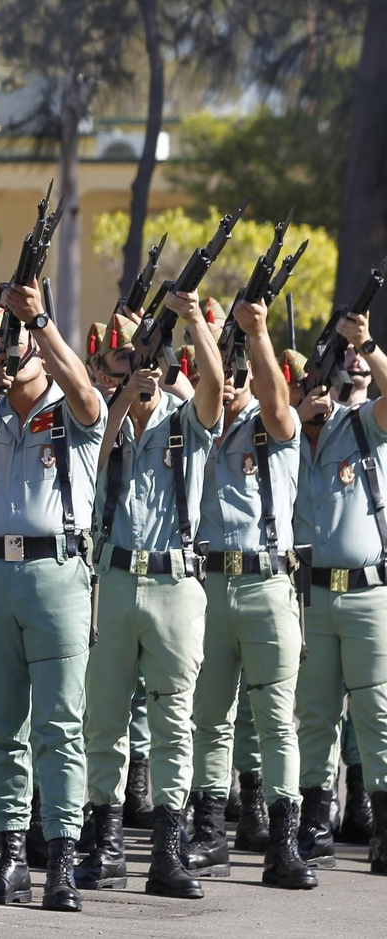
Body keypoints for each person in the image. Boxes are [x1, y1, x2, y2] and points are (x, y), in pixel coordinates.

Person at [0, 279, 106, 912]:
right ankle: (9, 858)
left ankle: (61, 858)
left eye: (15, 348)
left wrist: (39, 325)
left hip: (55, 574)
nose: (6, 357)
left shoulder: (73, 412)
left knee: (59, 727)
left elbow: (86, 389)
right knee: (0, 724)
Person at [78, 297, 223, 900]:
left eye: (142, 362)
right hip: (112, 578)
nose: (133, 372)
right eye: (120, 365)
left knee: (172, 721)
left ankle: (168, 850)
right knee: (104, 719)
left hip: (174, 583)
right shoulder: (101, 414)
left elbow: (213, 388)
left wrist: (194, 324)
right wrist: (119, 400)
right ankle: (104, 845)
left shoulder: (184, 416)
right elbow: (94, 457)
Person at [183, 297, 315, 889]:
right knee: (209, 718)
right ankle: (209, 834)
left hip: (266, 583)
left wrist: (256, 333)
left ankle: (283, 843)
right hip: (206, 584)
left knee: (275, 721)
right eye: (225, 373)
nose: (232, 383)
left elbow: (280, 398)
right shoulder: (195, 424)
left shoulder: (275, 424)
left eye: (241, 375)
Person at [292, 308, 387, 875]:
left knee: (377, 712)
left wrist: (368, 343)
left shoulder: (367, 424)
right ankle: (314, 823)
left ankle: (381, 825)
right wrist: (303, 417)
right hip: (309, 597)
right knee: (317, 713)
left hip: (367, 592)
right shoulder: (292, 434)